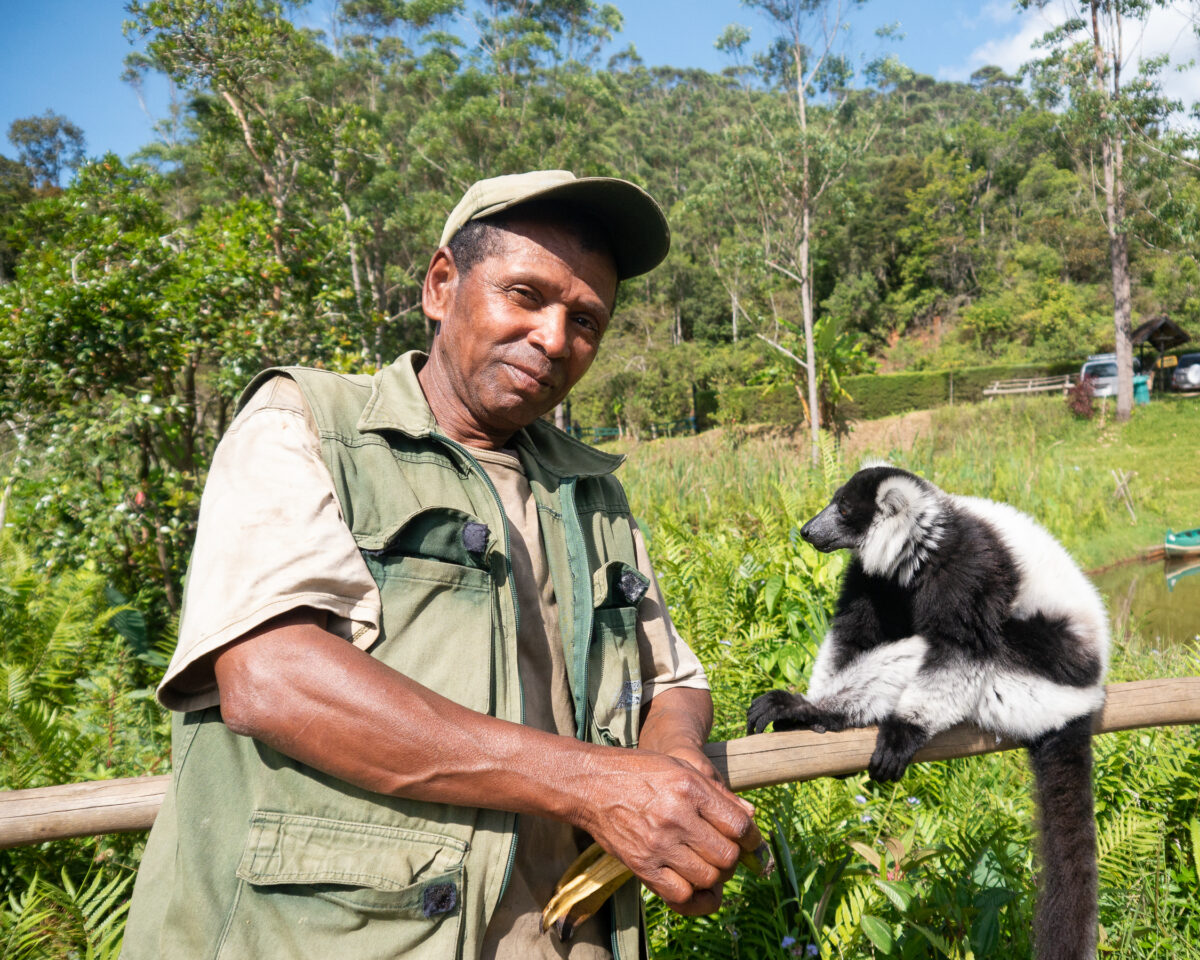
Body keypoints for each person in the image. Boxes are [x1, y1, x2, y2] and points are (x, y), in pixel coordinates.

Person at [120, 170, 761, 960]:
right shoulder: (308, 427)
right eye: (525, 295)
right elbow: (272, 677)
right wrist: (599, 786)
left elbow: (672, 683)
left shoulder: (591, 491)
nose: (555, 339)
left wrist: (674, 781)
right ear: (441, 285)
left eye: (586, 320)